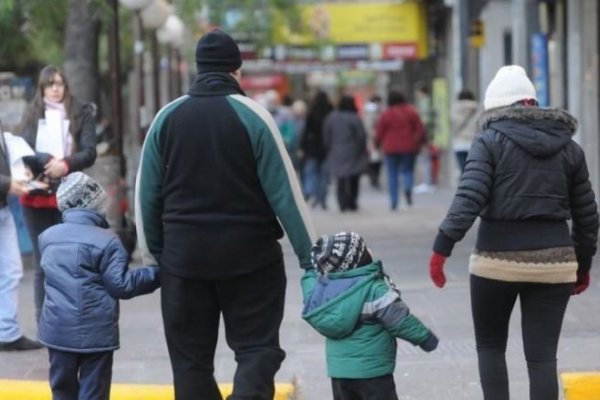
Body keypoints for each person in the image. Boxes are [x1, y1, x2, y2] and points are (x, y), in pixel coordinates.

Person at [135, 29, 316, 400]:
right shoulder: (254, 117)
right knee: (257, 349)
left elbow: (146, 196)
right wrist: (310, 259)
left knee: (190, 361)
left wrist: (155, 256)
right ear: (237, 71)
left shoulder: (166, 118)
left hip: (184, 260)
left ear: (198, 69)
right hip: (250, 258)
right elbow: (286, 195)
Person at [428, 65, 599, 400]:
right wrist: (583, 264)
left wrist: (442, 246)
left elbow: (470, 196)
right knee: (542, 358)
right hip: (555, 263)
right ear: (532, 103)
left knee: (491, 348)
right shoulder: (570, 148)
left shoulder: (488, 142)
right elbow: (587, 214)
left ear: (495, 108)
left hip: (496, 261)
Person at [37, 172, 160, 400]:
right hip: (95, 335)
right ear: (94, 204)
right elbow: (121, 285)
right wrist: (156, 273)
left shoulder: (46, 237)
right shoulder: (107, 240)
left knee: (62, 390)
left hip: (56, 332)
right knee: (94, 392)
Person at [301, 232, 439, 400]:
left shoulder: (322, 292)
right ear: (357, 259)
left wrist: (310, 270)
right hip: (373, 373)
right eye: (365, 248)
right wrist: (424, 337)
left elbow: (309, 283)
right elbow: (400, 320)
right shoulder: (373, 289)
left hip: (340, 374)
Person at [18, 65, 97, 322]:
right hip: (37, 195)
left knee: (70, 258)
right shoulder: (31, 114)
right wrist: (46, 161)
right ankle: (45, 319)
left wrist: (66, 164)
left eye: (59, 83)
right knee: (44, 260)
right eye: (50, 84)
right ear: (42, 89)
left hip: (70, 194)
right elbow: (23, 149)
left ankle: (71, 317)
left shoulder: (81, 112)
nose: (55, 89)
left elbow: (89, 151)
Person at [0, 125, 42, 351]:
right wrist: (8, 183)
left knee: (12, 270)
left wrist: (20, 174)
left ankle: (8, 333)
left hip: (3, 209)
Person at [375, 89, 426, 210]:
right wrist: (420, 142)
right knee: (408, 170)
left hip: (390, 147)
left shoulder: (386, 114)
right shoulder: (411, 111)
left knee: (392, 174)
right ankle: (408, 189)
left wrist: (377, 144)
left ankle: (394, 202)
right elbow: (420, 129)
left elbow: (380, 132)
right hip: (409, 146)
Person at [323, 95, 369, 212]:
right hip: (353, 151)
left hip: (336, 150)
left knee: (340, 178)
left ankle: (342, 202)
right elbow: (361, 136)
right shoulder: (354, 117)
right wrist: (361, 149)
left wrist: (329, 148)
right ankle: (352, 201)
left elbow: (326, 135)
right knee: (354, 177)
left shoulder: (331, 117)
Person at [300, 90, 333, 209]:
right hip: (326, 148)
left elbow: (306, 132)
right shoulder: (330, 112)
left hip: (312, 148)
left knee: (311, 173)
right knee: (323, 175)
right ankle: (322, 199)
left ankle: (311, 193)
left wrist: (302, 147)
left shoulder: (311, 113)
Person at [450, 89, 479, 174]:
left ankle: (464, 186)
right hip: (474, 143)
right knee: (474, 171)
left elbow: (452, 125)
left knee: (463, 170)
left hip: (459, 144)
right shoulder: (477, 108)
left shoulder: (454, 109)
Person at [362, 94, 383, 189]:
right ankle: (374, 178)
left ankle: (374, 178)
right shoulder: (373, 110)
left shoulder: (368, 110)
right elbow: (370, 125)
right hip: (373, 138)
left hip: (373, 138)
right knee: (375, 160)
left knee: (374, 159)